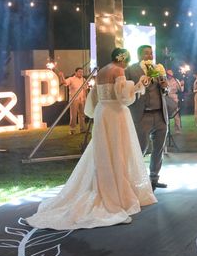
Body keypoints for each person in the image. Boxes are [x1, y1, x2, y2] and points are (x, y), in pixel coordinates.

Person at [26, 48, 156, 230]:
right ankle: (115, 192)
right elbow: (123, 98)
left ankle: (103, 183)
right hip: (115, 114)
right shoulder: (118, 70)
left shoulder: (102, 70)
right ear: (123, 59)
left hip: (102, 112)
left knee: (104, 151)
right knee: (117, 150)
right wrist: (139, 85)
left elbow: (94, 97)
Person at [125, 45, 169, 190]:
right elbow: (127, 92)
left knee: (159, 149)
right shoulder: (131, 70)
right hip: (142, 115)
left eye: (151, 53)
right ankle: (135, 180)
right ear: (138, 56)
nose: (150, 56)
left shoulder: (158, 69)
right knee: (140, 148)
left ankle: (154, 179)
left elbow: (164, 91)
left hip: (160, 114)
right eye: (146, 54)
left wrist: (165, 86)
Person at [59, 67, 87, 134]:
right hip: (74, 99)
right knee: (73, 115)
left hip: (82, 99)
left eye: (82, 72)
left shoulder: (84, 79)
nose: (81, 73)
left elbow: (85, 89)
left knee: (82, 115)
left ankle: (82, 129)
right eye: (79, 71)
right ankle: (72, 129)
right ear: (76, 72)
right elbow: (64, 82)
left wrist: (85, 98)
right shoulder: (71, 79)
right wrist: (61, 76)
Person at [166, 69, 184, 134]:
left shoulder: (176, 81)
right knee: (166, 115)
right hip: (166, 98)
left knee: (176, 115)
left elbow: (181, 90)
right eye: (168, 73)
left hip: (174, 98)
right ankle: (166, 130)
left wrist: (182, 84)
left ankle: (178, 129)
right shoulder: (165, 80)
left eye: (170, 73)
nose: (169, 75)